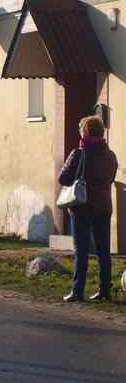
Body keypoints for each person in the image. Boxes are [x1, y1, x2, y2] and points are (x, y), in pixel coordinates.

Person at [59, 115, 117, 302]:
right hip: (104, 208)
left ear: (84, 132)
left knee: (81, 250)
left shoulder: (79, 154)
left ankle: (77, 291)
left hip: (82, 208)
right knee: (103, 250)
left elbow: (63, 178)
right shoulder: (111, 155)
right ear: (101, 132)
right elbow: (111, 178)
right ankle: (104, 290)